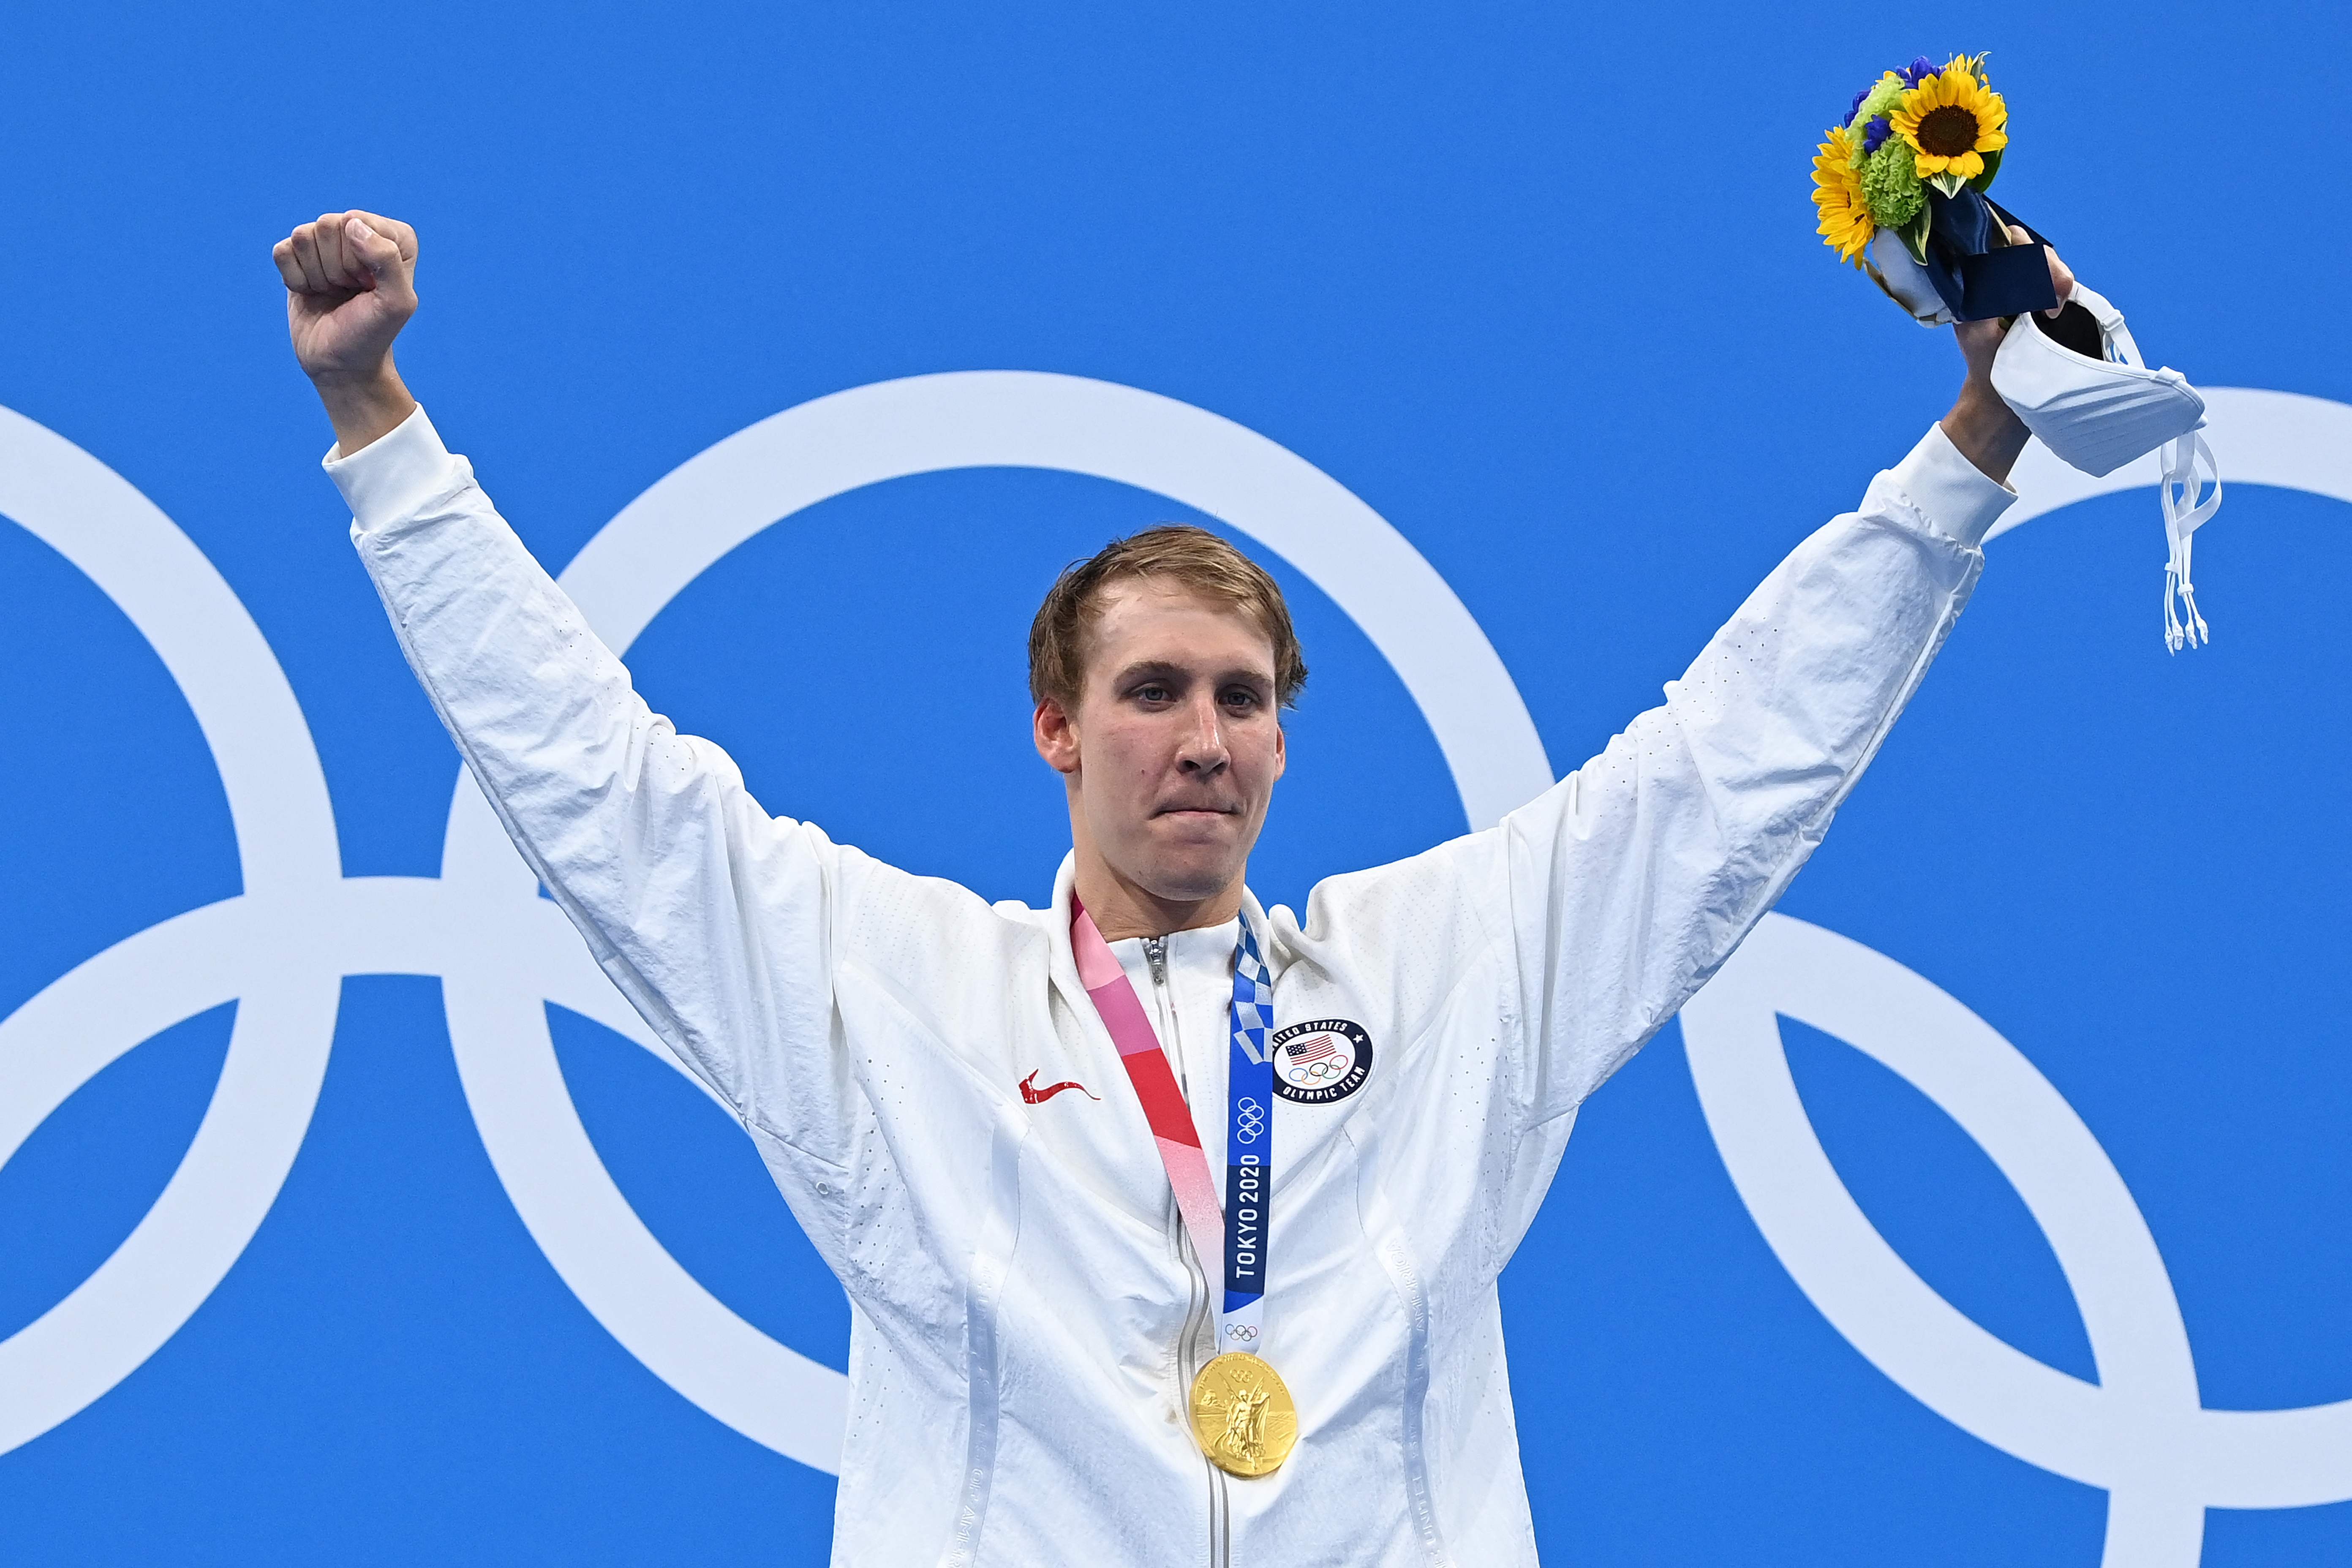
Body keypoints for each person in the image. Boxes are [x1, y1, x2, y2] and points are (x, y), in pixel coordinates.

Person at [273, 208, 2072, 1567]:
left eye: (1244, 697)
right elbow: (599, 786)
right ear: (1057, 728)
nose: (1202, 736)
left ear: (1285, 739)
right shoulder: (886, 988)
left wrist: (1971, 452)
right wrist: (381, 428)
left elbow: (1725, 769)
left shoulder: (1453, 972)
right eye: (1153, 692)